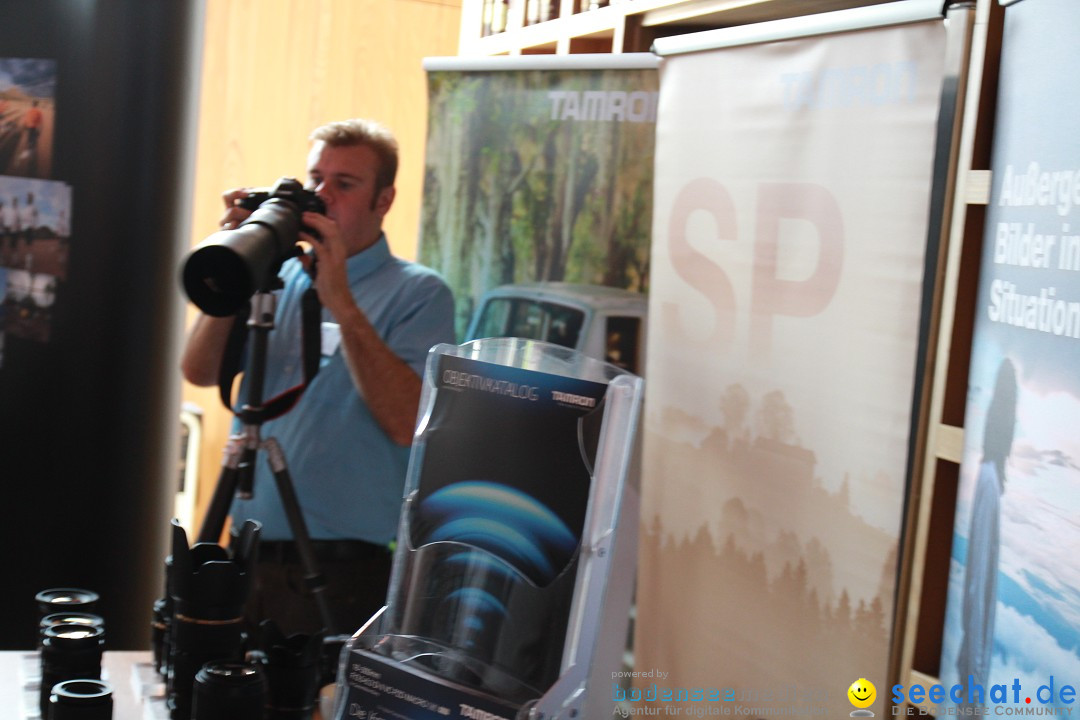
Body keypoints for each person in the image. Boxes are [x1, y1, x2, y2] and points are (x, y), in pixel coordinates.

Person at [180, 118, 455, 636]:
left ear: (384, 200)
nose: (322, 195)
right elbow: (198, 370)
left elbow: (406, 422)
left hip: (340, 570)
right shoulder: (277, 275)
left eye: (344, 184)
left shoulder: (419, 293)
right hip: (245, 554)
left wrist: (341, 302)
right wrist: (234, 263)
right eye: (316, 179)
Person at [956, 357, 1018, 690]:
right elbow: (979, 585)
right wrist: (976, 677)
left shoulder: (989, 480)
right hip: (972, 678)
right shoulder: (989, 483)